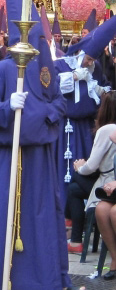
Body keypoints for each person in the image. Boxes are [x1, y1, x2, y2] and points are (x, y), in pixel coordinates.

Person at [0, 0, 76, 290]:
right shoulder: (1, 70)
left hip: (39, 159)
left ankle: (48, 282)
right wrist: (7, 108)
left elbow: (58, 104)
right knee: (1, 215)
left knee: (42, 217)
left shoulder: (47, 69)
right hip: (8, 157)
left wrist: (40, 115)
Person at [54, 15, 114, 210]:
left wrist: (100, 90)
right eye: (88, 58)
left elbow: (106, 90)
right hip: (64, 126)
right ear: (80, 53)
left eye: (93, 59)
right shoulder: (61, 65)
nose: (89, 63)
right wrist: (72, 76)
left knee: (85, 163)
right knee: (63, 168)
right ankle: (62, 209)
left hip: (86, 127)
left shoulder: (95, 70)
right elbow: (50, 87)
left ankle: (81, 210)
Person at [66, 91, 116, 254]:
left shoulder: (107, 129)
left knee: (75, 179)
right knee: (74, 189)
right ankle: (73, 236)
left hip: (106, 183)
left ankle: (74, 237)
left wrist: (80, 166)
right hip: (108, 180)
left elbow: (92, 166)